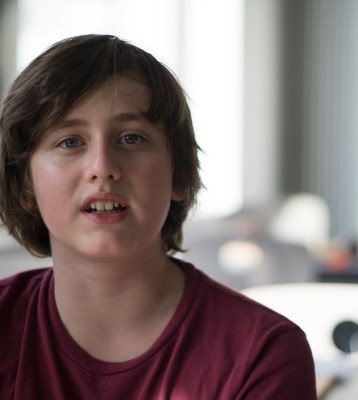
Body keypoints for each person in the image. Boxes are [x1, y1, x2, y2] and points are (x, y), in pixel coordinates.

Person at [0, 34, 317, 399]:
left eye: (131, 138)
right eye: (70, 142)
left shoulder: (262, 355)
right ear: (25, 185)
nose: (102, 167)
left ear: (178, 174)